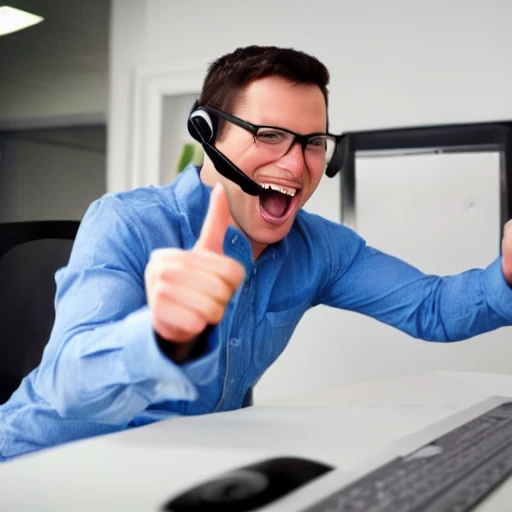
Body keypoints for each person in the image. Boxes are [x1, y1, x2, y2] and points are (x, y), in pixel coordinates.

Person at [1, 45, 512, 462]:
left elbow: (433, 307)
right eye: (269, 136)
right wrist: (159, 337)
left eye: (313, 142)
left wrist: (508, 273)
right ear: (208, 135)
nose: (295, 164)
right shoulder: (127, 222)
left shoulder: (320, 249)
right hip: (42, 467)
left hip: (172, 468)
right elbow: (69, 385)